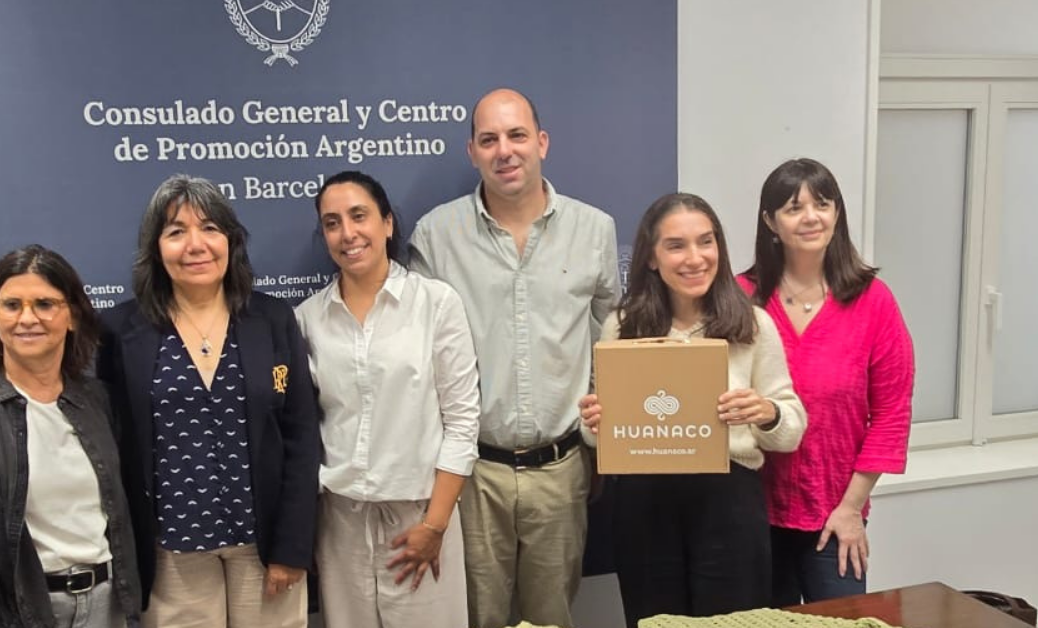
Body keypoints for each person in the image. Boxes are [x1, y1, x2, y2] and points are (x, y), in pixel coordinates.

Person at [408, 88, 620, 628]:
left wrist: (600, 441)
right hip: (475, 475)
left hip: (562, 469)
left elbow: (611, 339)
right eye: (489, 139)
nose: (505, 150)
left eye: (517, 135)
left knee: (552, 619)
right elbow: (420, 358)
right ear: (471, 152)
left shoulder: (594, 230)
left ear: (542, 142)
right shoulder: (436, 236)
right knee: (479, 618)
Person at [97, 175, 320, 628]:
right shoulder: (120, 332)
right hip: (171, 552)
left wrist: (292, 548)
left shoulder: (272, 319)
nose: (195, 245)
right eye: (176, 231)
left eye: (210, 228)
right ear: (155, 248)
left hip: (263, 546)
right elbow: (113, 444)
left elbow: (301, 438)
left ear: (231, 241)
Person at [578, 193, 807, 626]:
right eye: (676, 245)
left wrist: (765, 411)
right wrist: (594, 422)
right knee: (654, 620)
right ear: (650, 258)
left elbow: (791, 426)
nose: (695, 258)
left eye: (706, 242)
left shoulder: (753, 325)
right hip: (644, 503)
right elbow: (598, 432)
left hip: (728, 501)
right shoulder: (622, 325)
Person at [0, 245, 142, 628]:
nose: (28, 318)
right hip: (20, 613)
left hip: (109, 606)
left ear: (72, 316)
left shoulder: (98, 401)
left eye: (45, 304)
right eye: (12, 305)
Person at [295, 171, 480, 628]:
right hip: (340, 524)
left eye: (359, 216)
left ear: (388, 223)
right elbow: (304, 427)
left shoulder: (435, 304)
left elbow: (462, 423)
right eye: (332, 223)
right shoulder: (307, 319)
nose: (348, 233)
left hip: (420, 516)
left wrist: (434, 527)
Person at [740, 158, 914, 605]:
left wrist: (852, 509)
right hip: (750, 514)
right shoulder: (740, 298)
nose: (811, 217)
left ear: (837, 213)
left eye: (822, 203)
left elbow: (892, 414)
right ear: (770, 222)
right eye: (794, 207)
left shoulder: (873, 301)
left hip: (835, 516)